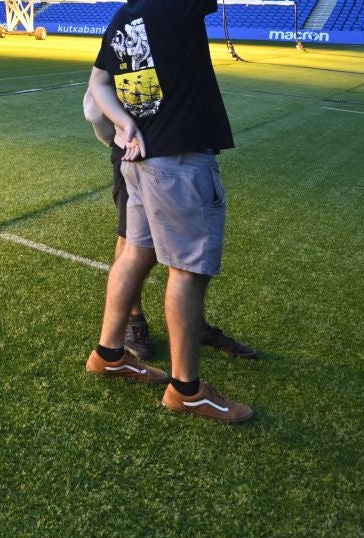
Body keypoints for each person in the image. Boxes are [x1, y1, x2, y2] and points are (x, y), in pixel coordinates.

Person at [83, 0, 364, 423]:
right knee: (186, 270)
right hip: (177, 163)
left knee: (134, 255)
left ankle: (109, 356)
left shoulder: (124, 18)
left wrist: (122, 122)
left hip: (136, 160)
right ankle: (187, 389)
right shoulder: (173, 0)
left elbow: (97, 83)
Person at [80, 93, 260, 362]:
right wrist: (119, 139)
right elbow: (95, 103)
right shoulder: (131, 53)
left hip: (168, 148)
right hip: (140, 150)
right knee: (135, 243)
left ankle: (191, 325)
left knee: (163, 251)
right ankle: (134, 323)